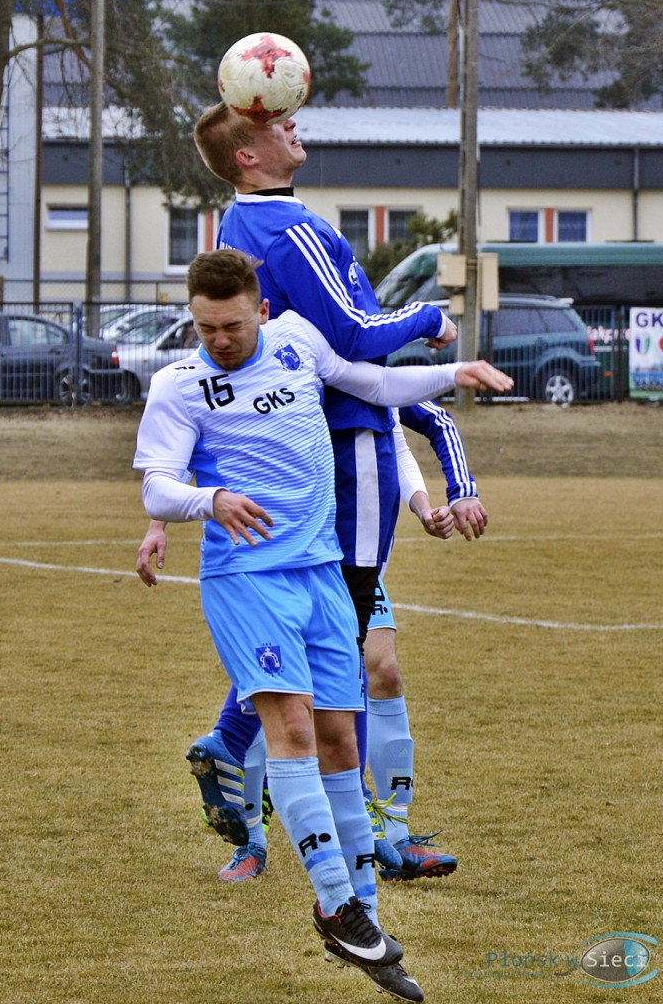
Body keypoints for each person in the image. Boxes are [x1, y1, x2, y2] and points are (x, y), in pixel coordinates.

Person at [134, 249, 512, 1002]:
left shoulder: (301, 339)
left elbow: (369, 384)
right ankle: (338, 904)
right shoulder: (179, 385)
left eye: (233, 325)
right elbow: (159, 483)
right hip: (247, 581)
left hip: (322, 574)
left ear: (262, 311)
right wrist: (207, 502)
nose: (220, 340)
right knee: (295, 732)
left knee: (342, 739)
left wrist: (450, 374)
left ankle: (364, 916)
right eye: (206, 327)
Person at [188, 102, 467, 879]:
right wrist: (432, 318)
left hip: (306, 448)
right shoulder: (291, 228)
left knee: (350, 650)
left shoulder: (235, 231)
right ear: (248, 153)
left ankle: (340, 818)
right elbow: (354, 336)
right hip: (348, 447)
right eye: (278, 123)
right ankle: (332, 822)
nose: (294, 129)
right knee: (335, 651)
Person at [138, 401, 486, 885]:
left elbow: (396, 438)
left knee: (380, 668)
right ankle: (251, 836)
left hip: (358, 553)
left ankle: (391, 831)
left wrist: (424, 505)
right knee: (282, 691)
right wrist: (158, 525)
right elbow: (207, 439)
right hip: (296, 550)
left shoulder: (359, 355)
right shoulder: (286, 363)